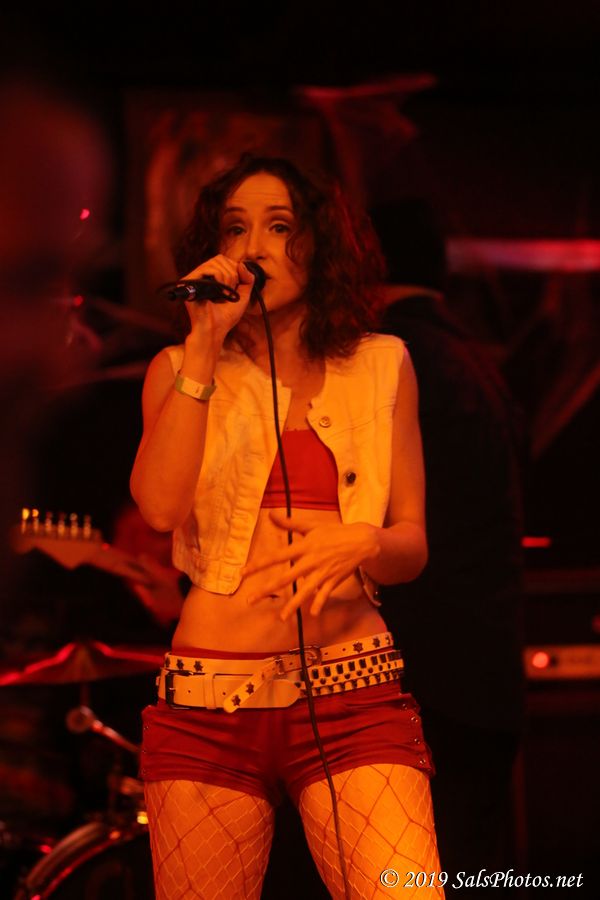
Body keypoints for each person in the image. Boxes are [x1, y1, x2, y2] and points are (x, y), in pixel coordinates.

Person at [130, 154, 445, 899]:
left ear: (320, 243)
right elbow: (159, 509)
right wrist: (204, 344)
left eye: (279, 227)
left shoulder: (383, 365)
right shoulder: (178, 367)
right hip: (211, 704)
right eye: (234, 229)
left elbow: (412, 545)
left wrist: (366, 541)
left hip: (352, 694)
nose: (254, 248)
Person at [370, 199, 526, 889]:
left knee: (417, 876)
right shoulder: (475, 358)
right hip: (486, 670)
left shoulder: (394, 359)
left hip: (427, 676)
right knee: (471, 870)